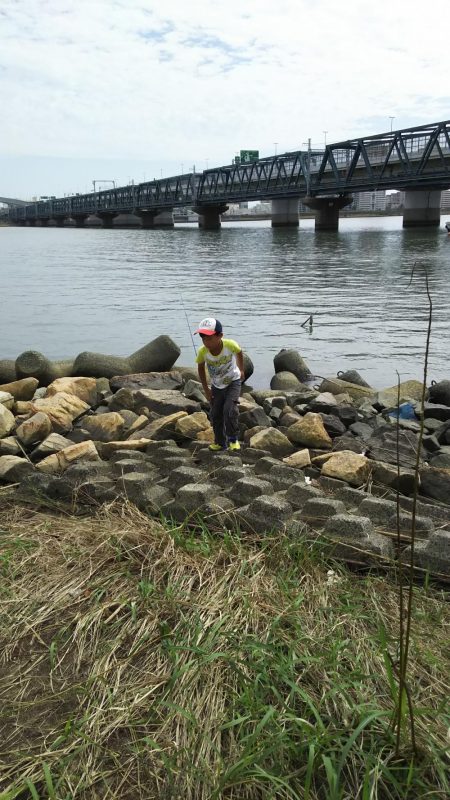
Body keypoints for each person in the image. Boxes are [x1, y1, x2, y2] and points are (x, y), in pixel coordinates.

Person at [195, 317, 244, 451]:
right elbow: (200, 368)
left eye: (209, 338)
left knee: (229, 410)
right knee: (216, 413)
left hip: (233, 382)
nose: (206, 342)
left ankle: (233, 440)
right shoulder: (202, 352)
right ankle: (220, 442)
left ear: (220, 336)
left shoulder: (230, 345)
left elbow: (239, 352)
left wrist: (241, 369)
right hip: (216, 386)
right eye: (203, 338)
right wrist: (206, 389)